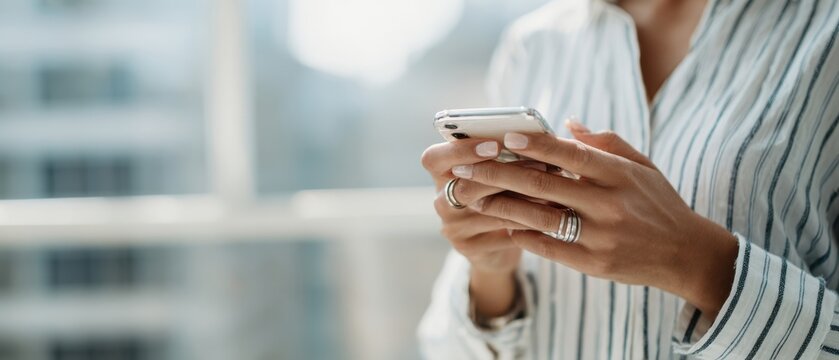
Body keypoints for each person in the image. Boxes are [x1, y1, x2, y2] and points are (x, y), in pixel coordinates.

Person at [417, 0, 839, 358]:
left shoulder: (825, 30)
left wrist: (697, 264)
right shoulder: (532, 44)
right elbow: (442, 344)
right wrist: (490, 273)